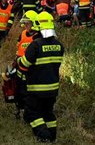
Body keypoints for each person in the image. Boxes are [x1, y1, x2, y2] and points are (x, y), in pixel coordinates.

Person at [17, 11, 65, 143]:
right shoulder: (59, 45)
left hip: (36, 88)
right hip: (53, 88)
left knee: (32, 113)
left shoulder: (36, 45)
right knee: (48, 112)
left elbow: (24, 65)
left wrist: (19, 61)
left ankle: (43, 135)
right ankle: (53, 136)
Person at [13, 10, 40, 119]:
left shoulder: (38, 37)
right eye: (25, 23)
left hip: (31, 68)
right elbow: (18, 48)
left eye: (28, 23)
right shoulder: (23, 33)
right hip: (20, 65)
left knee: (29, 91)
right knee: (19, 89)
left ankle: (29, 111)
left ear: (33, 23)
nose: (26, 26)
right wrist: (15, 60)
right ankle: (20, 109)